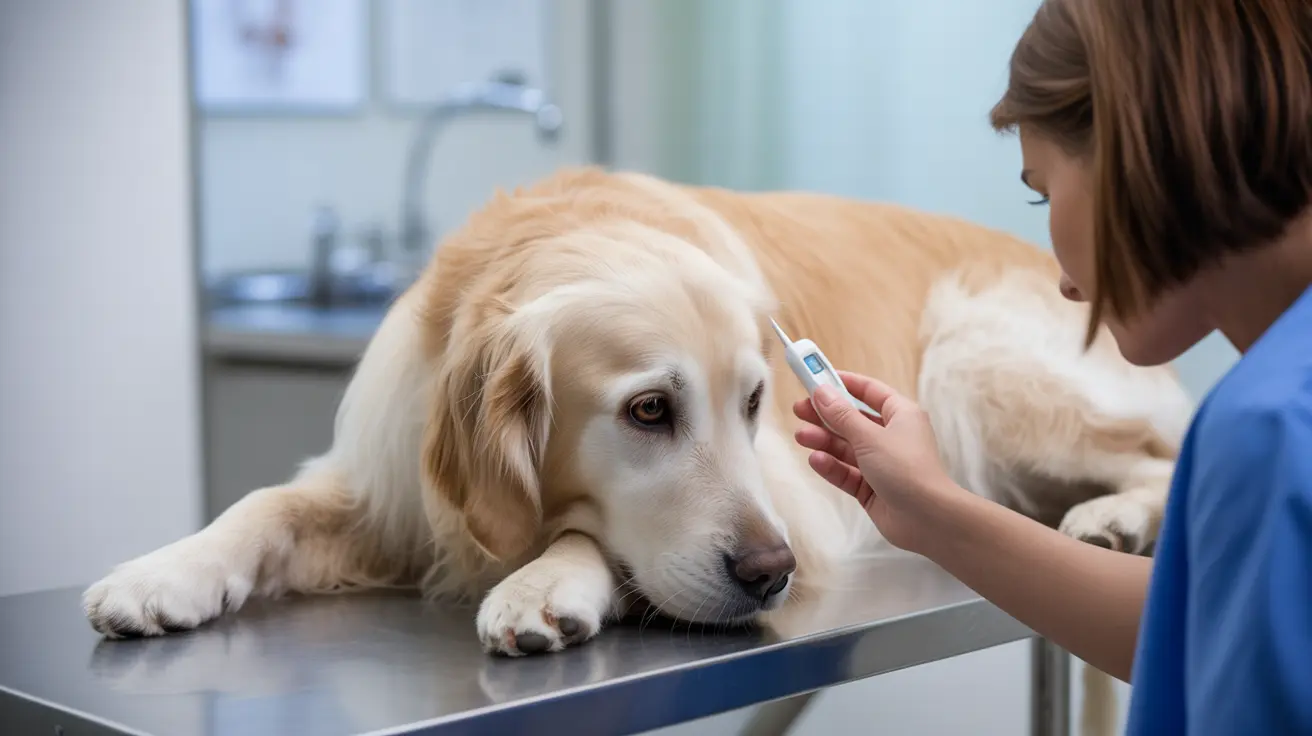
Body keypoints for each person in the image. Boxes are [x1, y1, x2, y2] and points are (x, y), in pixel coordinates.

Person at [791, 1, 1312, 733]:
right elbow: (1198, 629)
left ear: (1140, 144)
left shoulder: (1270, 430)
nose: (1063, 280)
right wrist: (932, 510)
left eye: (1042, 190)